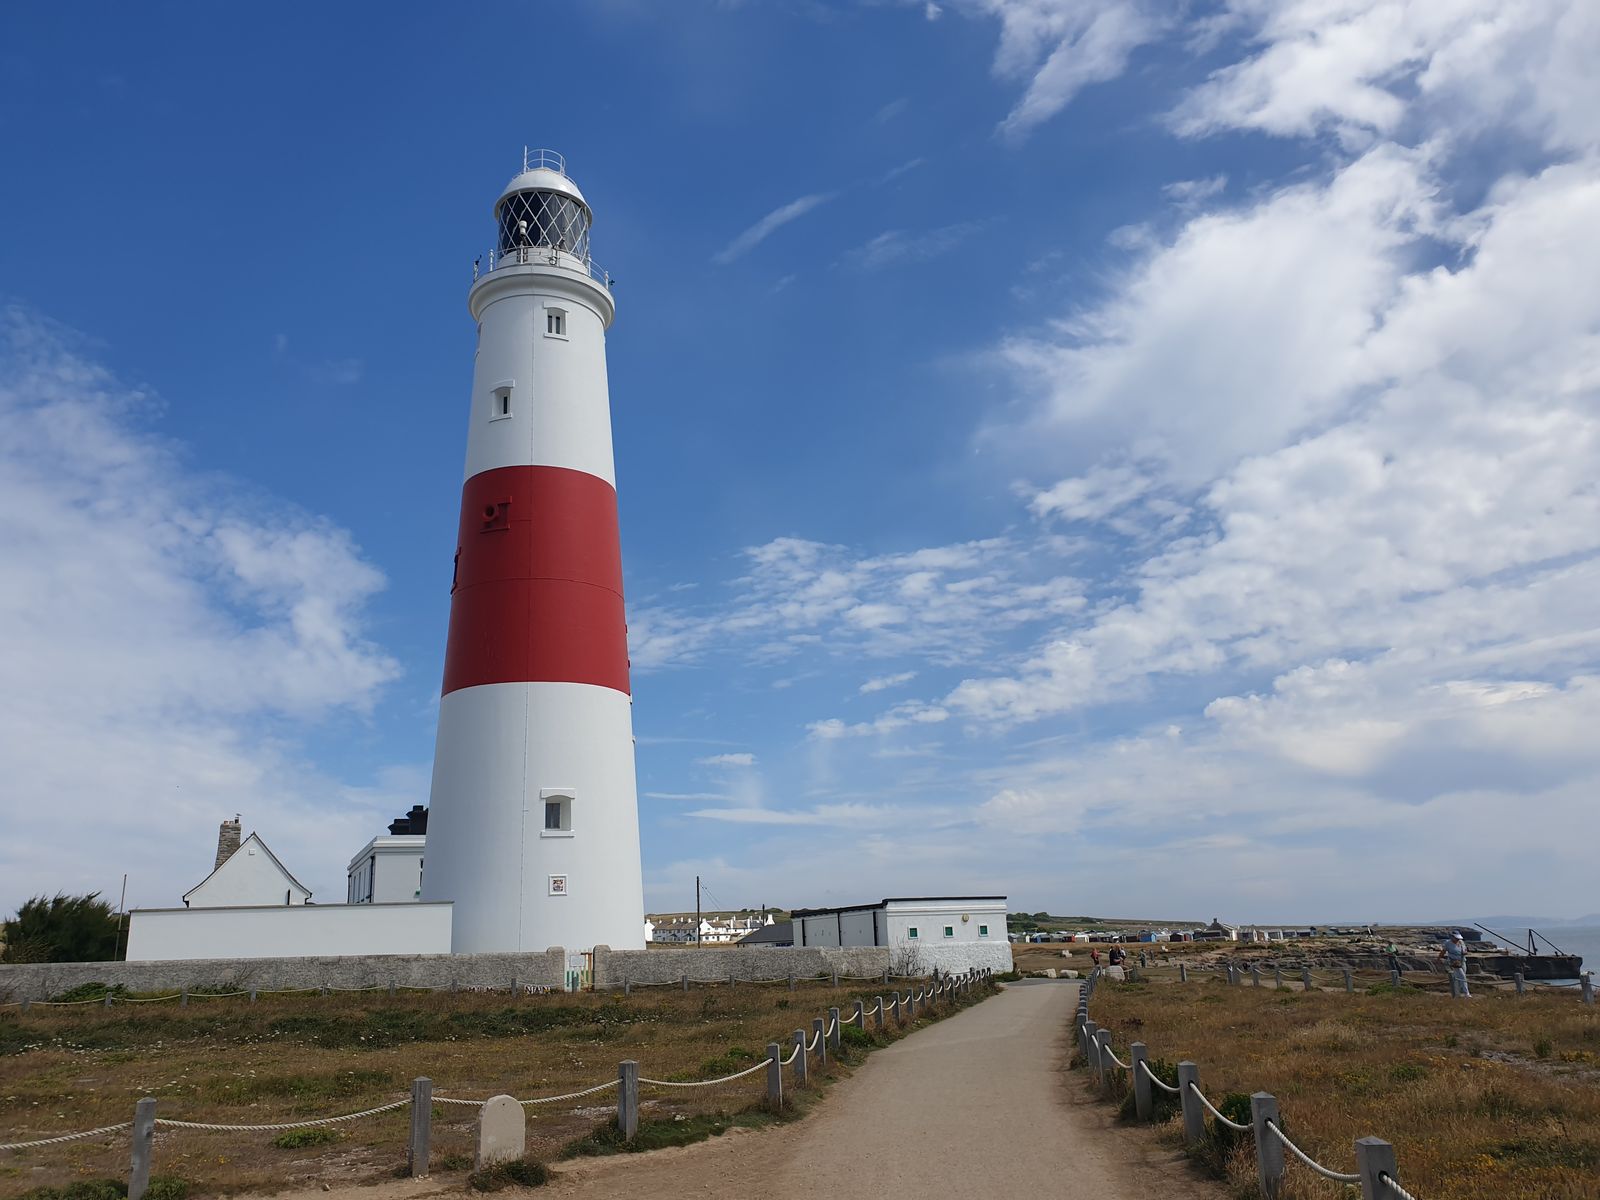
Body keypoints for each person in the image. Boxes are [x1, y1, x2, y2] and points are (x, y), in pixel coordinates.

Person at [1439, 932, 1471, 998]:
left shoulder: (1461, 942)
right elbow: (1443, 951)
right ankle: (1466, 993)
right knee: (1462, 977)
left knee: (1459, 977)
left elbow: (1465, 950)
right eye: (1456, 938)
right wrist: (1439, 958)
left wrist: (1465, 952)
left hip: (1462, 961)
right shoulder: (1448, 943)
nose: (1457, 939)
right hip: (1454, 962)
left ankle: (1457, 993)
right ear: (1452, 937)